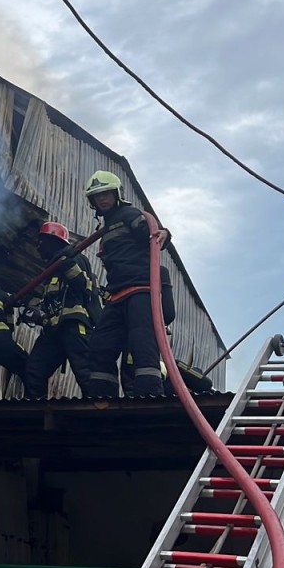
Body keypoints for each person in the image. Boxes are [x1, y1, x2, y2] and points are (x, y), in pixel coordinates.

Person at [81, 170, 168, 397]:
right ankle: (102, 398)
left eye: (106, 194)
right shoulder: (107, 227)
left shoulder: (129, 213)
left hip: (140, 290)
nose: (102, 199)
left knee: (142, 345)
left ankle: (149, 397)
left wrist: (165, 233)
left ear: (117, 193)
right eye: (97, 196)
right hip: (116, 295)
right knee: (101, 346)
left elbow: (154, 235)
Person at [22, 221, 101, 398]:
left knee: (85, 372)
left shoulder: (75, 258)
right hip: (53, 330)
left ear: (53, 241)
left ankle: (98, 413)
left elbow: (82, 285)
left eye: (42, 241)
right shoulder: (49, 272)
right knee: (34, 371)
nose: (39, 247)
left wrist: (66, 262)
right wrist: (32, 309)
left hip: (73, 325)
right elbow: (42, 297)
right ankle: (36, 415)